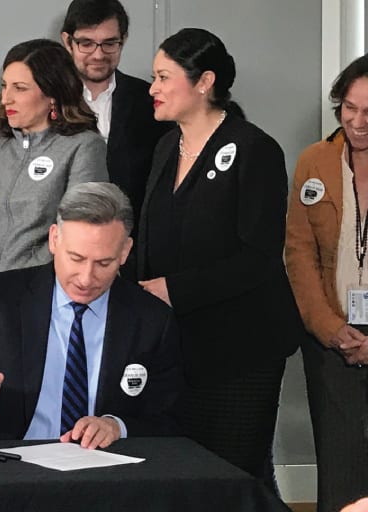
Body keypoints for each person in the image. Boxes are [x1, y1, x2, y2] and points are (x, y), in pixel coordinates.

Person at [134, 28, 302, 488]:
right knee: (183, 473)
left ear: (203, 81)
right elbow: (150, 238)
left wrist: (174, 289)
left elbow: (259, 257)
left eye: (164, 77)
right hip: (179, 346)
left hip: (241, 349)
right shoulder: (167, 146)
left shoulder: (254, 148)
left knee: (231, 476)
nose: (153, 88)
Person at [0, 183, 181, 448]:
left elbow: (170, 420)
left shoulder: (152, 319)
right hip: (13, 464)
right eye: (76, 258)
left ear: (125, 251)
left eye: (103, 263)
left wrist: (118, 426)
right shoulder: (2, 298)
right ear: (54, 239)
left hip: (107, 471)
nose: (86, 278)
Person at [0, 39, 108, 304]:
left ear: (52, 95)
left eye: (20, 88)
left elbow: (74, 231)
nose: (5, 98)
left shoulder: (84, 146)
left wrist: (17, 291)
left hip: (41, 300)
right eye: (4, 86)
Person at [284, 55, 368, 511]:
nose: (357, 121)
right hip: (332, 333)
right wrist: (326, 326)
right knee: (339, 464)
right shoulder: (315, 161)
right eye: (349, 108)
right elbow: (299, 251)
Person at [60, 0, 171, 220]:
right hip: (60, 241)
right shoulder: (49, 98)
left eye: (110, 43)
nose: (98, 55)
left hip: (129, 242)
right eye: (87, 43)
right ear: (67, 41)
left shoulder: (152, 101)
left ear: (124, 39)